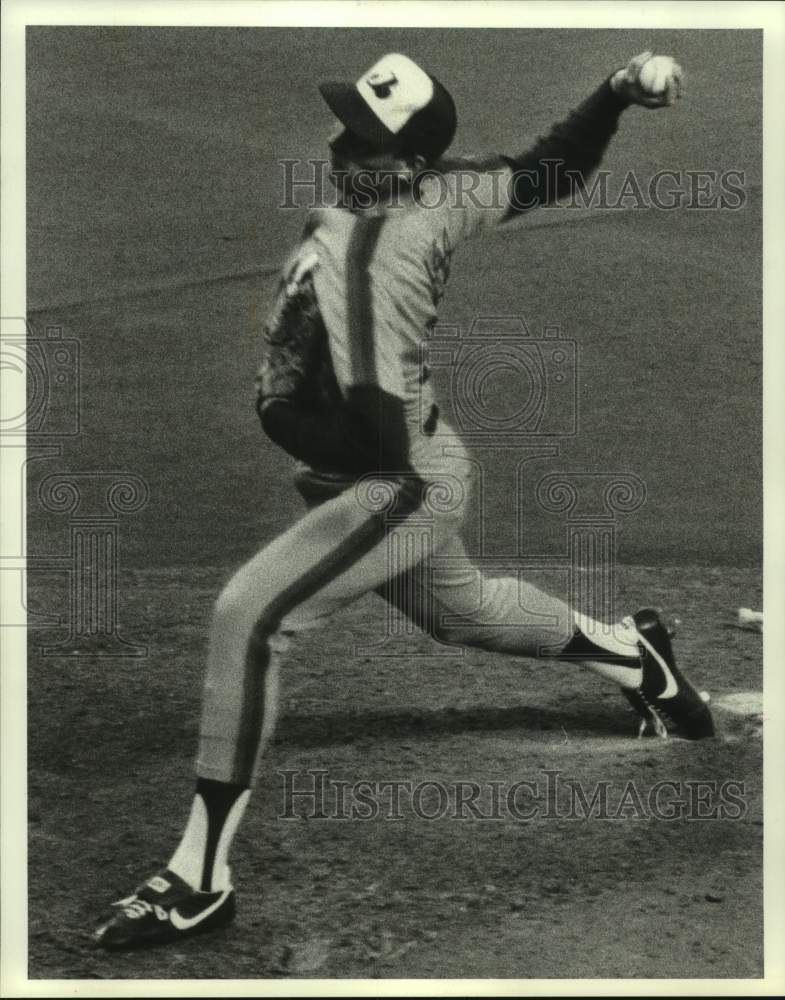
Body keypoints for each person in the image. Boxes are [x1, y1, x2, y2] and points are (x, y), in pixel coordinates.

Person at [94, 49, 713, 950]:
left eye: (364, 137)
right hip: (414, 458)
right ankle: (636, 658)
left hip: (399, 479)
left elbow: (377, 442)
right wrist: (612, 94)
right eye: (348, 121)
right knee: (463, 614)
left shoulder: (377, 260)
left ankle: (198, 876)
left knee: (250, 617)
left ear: (407, 164)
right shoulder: (440, 193)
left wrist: (279, 419)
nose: (340, 142)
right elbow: (548, 168)